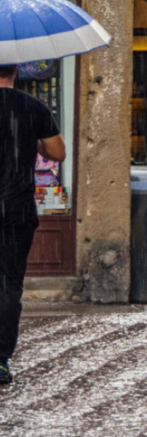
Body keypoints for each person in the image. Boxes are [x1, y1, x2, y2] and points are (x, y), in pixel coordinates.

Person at [0, 62, 66, 385]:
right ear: (15, 71)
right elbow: (58, 152)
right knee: (10, 284)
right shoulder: (33, 106)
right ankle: (0, 360)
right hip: (18, 211)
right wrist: (34, 143)